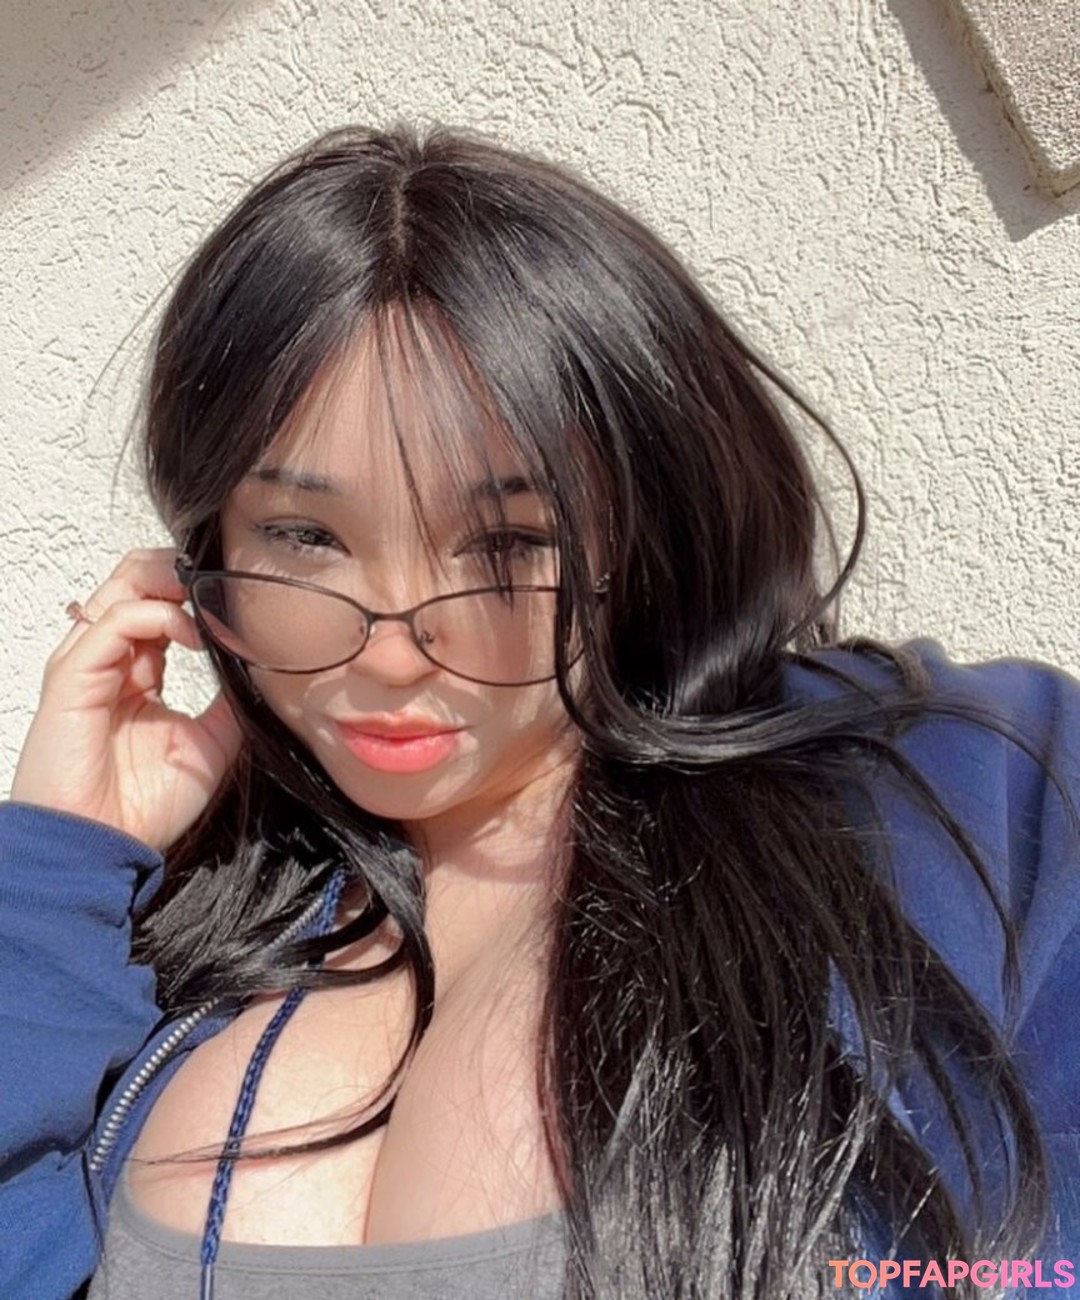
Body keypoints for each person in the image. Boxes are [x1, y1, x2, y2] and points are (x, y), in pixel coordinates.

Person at [1, 121, 1077, 1300]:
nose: (394, 654)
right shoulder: (184, 919)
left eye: (506, 541)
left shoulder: (948, 794)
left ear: (641, 526)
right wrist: (61, 861)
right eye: (305, 535)